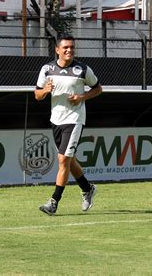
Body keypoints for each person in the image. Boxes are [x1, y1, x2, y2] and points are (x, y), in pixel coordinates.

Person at [34, 34, 103, 216]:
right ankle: (87, 188)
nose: (69, 50)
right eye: (65, 47)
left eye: (72, 47)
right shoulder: (47, 69)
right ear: (57, 50)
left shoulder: (82, 69)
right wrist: (45, 91)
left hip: (75, 119)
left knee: (63, 159)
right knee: (68, 160)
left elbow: (98, 89)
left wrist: (82, 97)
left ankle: (54, 201)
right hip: (56, 120)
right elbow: (37, 94)